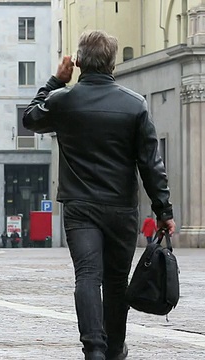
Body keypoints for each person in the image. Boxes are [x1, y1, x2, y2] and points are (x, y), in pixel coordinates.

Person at [23, 30, 175, 360]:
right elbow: (151, 163)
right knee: (116, 282)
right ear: (112, 63)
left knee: (88, 277)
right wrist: (164, 210)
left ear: (77, 63)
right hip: (121, 208)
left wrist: (54, 81)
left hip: (79, 208)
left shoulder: (63, 100)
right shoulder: (135, 104)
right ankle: (114, 349)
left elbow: (30, 118)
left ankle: (94, 348)